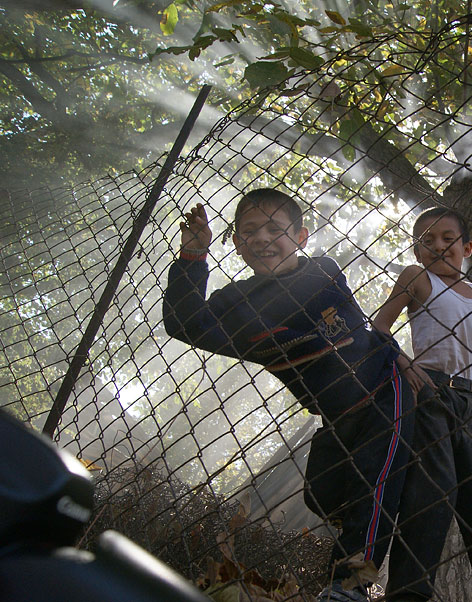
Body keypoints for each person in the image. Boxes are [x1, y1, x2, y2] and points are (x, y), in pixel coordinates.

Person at [163, 188, 413, 602]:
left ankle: (349, 587)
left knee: (375, 488)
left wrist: (266, 337)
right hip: (335, 415)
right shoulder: (238, 302)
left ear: (301, 236)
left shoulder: (323, 272)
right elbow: (184, 322)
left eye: (274, 228)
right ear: (237, 244)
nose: (262, 238)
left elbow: (347, 331)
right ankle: (375, 526)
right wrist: (193, 256)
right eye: (249, 232)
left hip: (383, 392)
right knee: (321, 494)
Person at [373, 207, 472, 602]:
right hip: (431, 394)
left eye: (447, 238)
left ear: (466, 247)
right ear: (417, 249)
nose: (438, 246)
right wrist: (401, 360)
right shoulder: (417, 278)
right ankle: (407, 595)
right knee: (430, 498)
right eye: (426, 241)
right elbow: (379, 326)